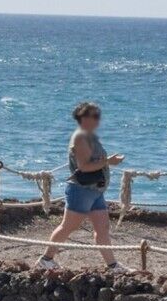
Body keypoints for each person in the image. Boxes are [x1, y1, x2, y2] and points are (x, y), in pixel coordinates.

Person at [43, 101, 119, 256]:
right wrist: (108, 161)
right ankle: (46, 259)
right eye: (94, 115)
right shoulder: (80, 138)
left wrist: (107, 161)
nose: (98, 119)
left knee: (102, 229)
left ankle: (113, 266)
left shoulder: (90, 137)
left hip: (96, 190)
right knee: (68, 227)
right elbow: (83, 166)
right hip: (81, 190)